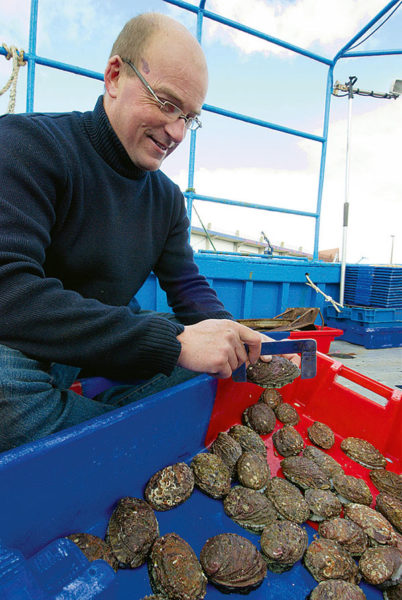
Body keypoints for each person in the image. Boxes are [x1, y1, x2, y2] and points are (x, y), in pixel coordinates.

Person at [0, 13, 299, 453]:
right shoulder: (28, 146)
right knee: (6, 394)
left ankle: (96, 433)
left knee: (210, 346)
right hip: (25, 341)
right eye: (166, 103)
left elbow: (187, 286)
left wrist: (233, 333)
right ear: (115, 76)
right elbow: (10, 291)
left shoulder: (167, 199)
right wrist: (175, 343)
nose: (177, 131)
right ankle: (138, 439)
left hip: (100, 338)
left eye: (190, 117)